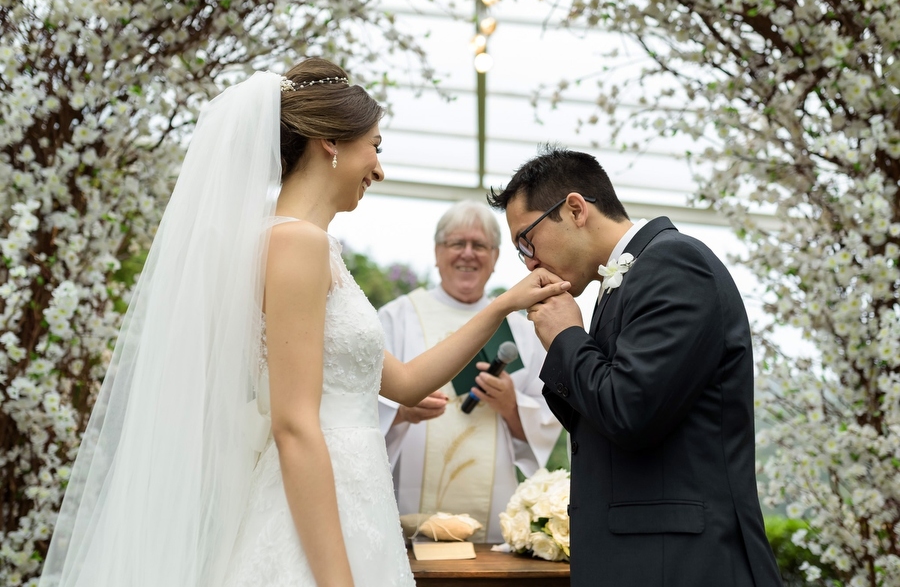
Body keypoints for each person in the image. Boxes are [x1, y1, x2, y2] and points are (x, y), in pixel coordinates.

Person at [38, 60, 569, 587]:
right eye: (375, 147)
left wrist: (499, 306)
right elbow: (293, 425)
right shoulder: (296, 243)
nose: (379, 169)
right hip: (317, 516)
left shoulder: (316, 249)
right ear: (330, 143)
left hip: (356, 502)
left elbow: (403, 382)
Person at [487, 147, 782, 587]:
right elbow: (597, 420)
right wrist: (564, 341)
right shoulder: (623, 281)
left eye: (527, 241)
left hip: (680, 563)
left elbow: (630, 410)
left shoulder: (675, 263)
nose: (529, 261)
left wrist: (567, 338)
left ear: (574, 209)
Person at [377, 201, 562, 543]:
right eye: (456, 244)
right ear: (436, 252)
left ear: (494, 258)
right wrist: (401, 411)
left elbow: (551, 419)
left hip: (493, 508)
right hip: (408, 495)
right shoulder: (396, 318)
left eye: (480, 246)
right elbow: (358, 401)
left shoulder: (522, 330)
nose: (468, 254)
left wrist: (512, 405)